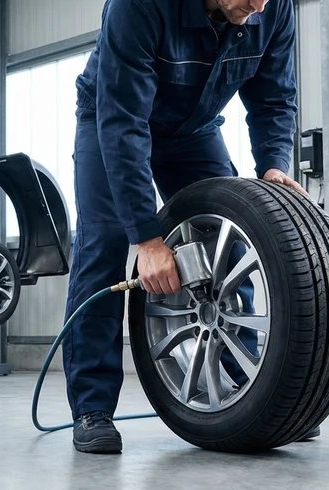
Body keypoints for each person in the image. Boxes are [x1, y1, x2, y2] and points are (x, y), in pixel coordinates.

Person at [63, 0, 316, 454]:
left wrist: (274, 165)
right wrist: (146, 237)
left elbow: (275, 95)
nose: (257, 6)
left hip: (194, 128)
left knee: (230, 242)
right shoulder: (138, 6)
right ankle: (91, 408)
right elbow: (123, 124)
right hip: (112, 119)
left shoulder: (272, 8)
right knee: (103, 246)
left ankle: (247, 381)